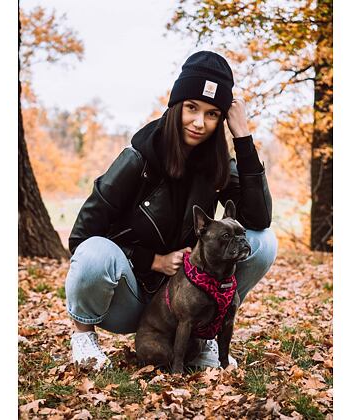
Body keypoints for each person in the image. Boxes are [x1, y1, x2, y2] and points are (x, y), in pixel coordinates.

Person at [65, 51, 278, 370]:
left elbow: (258, 218)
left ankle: (207, 333)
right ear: (176, 105)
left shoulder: (217, 163)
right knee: (94, 252)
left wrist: (243, 138)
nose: (199, 122)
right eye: (192, 108)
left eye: (212, 114)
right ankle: (84, 339)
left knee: (263, 242)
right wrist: (153, 260)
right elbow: (80, 238)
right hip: (130, 297)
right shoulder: (138, 158)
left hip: (188, 300)